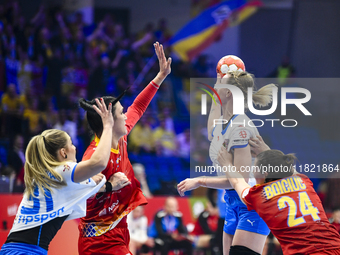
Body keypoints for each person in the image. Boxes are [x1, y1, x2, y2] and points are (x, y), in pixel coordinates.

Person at [77, 41, 171, 255]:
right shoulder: (94, 155)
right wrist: (109, 187)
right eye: (120, 113)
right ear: (108, 121)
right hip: (98, 240)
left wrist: (161, 76)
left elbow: (137, 106)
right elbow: (78, 190)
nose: (125, 116)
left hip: (119, 229)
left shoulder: (121, 136)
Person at [0, 99, 126, 255]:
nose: (75, 147)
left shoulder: (48, 175)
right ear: (63, 152)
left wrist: (109, 186)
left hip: (16, 249)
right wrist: (108, 126)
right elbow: (98, 163)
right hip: (26, 251)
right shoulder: (61, 170)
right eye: (71, 144)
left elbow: (80, 190)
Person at [178, 71, 276, 255]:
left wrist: (199, 180)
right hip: (232, 201)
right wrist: (219, 81)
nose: (215, 87)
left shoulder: (240, 127)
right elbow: (210, 131)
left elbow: (239, 179)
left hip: (252, 202)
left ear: (229, 92)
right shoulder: (225, 123)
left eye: (220, 84)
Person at [217, 147, 340, 255]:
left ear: (264, 174)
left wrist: (226, 163)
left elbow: (237, 181)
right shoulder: (303, 180)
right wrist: (265, 149)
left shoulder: (259, 195)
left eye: (254, 169)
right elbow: (288, 169)